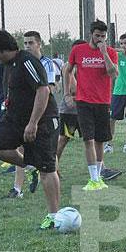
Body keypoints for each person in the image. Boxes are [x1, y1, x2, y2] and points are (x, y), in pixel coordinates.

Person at [0, 30, 61, 230]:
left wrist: (33, 122)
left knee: (48, 169)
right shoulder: (7, 65)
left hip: (42, 120)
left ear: (2, 49)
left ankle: (55, 217)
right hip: (15, 119)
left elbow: (43, 90)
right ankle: (30, 166)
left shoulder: (27, 61)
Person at [63, 20, 121, 190]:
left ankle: (99, 176)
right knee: (88, 139)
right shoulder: (78, 50)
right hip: (83, 101)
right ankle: (93, 179)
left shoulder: (110, 52)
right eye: (97, 36)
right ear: (91, 34)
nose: (100, 39)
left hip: (103, 101)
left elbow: (113, 73)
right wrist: (67, 94)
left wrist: (104, 54)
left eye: (103, 36)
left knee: (100, 140)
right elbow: (67, 70)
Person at [4, 31, 58, 199]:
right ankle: (17, 188)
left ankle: (51, 179)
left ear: (39, 44)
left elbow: (49, 88)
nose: (27, 46)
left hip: (44, 114)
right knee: (20, 148)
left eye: (31, 43)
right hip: (24, 114)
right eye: (25, 43)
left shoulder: (47, 63)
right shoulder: (20, 62)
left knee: (49, 154)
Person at [56, 40, 87, 175]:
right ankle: (52, 168)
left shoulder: (85, 66)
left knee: (91, 139)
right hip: (70, 110)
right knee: (63, 139)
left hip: (84, 108)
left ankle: (100, 169)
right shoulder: (69, 66)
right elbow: (74, 88)